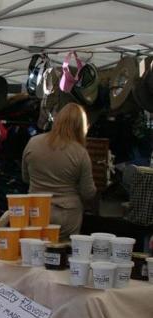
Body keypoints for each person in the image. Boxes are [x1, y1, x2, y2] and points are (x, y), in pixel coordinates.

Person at [22, 102, 97, 240]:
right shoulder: (80, 153)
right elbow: (88, 192)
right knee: (61, 255)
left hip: (35, 210)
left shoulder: (33, 142)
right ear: (82, 126)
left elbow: (25, 178)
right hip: (66, 214)